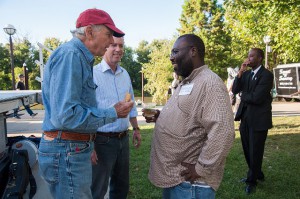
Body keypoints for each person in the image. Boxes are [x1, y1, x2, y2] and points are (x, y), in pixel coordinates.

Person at [38, 8, 134, 199]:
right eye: (108, 35)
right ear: (89, 32)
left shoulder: (79, 57)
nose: (110, 42)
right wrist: (112, 112)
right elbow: (66, 115)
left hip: (72, 149)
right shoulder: (71, 55)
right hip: (67, 151)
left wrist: (89, 143)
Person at [143, 34, 235, 199]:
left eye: (176, 51)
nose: (171, 57)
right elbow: (188, 114)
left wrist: (201, 168)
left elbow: (223, 131)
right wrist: (161, 116)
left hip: (191, 184)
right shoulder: (188, 81)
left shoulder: (210, 83)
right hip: (176, 179)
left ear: (193, 51)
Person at [91, 36, 141, 199]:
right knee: (98, 189)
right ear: (105, 46)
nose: (118, 49)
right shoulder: (93, 74)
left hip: (123, 139)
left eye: (121, 45)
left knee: (121, 187)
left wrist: (136, 128)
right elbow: (87, 111)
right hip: (101, 142)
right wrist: (89, 144)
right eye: (113, 45)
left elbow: (131, 102)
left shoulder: (124, 74)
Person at [232, 48, 274, 194]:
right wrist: (240, 73)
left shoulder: (267, 75)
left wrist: (244, 96)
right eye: (248, 56)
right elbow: (236, 90)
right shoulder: (247, 74)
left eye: (252, 56)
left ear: (260, 58)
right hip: (245, 118)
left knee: (255, 151)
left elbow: (257, 98)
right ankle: (258, 173)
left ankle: (251, 181)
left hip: (259, 119)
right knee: (247, 149)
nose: (248, 59)